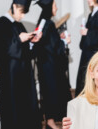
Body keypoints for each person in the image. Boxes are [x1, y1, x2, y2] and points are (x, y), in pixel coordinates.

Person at [0, 0, 42, 129]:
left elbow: (26, 54)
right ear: (13, 6)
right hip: (11, 82)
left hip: (25, 80)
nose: (23, 16)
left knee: (28, 116)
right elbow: (5, 50)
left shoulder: (19, 25)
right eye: (21, 12)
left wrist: (32, 43)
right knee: (15, 118)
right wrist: (20, 39)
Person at [34, 0, 72, 128]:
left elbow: (49, 43)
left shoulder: (43, 22)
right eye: (54, 5)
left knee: (49, 93)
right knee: (52, 93)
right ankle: (50, 122)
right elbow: (53, 47)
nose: (56, 8)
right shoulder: (48, 24)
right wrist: (65, 42)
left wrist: (58, 39)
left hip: (45, 66)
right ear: (49, 7)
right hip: (50, 67)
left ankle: (51, 121)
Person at [75, 0, 98, 96]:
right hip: (88, 54)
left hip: (95, 54)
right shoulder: (92, 14)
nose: (88, 1)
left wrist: (88, 33)